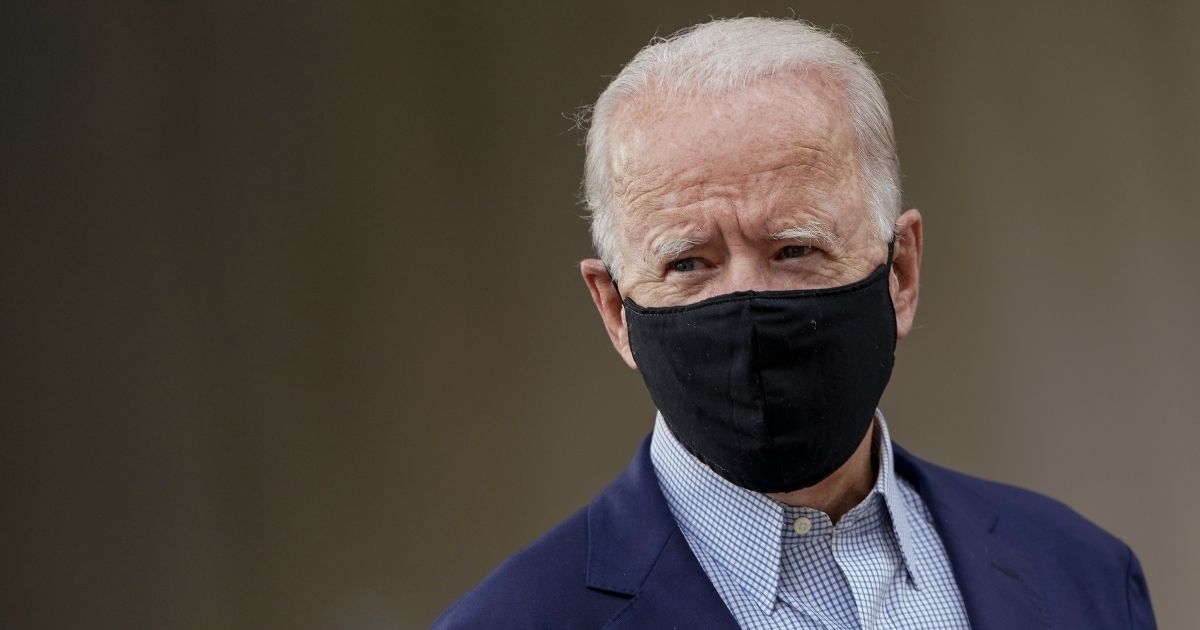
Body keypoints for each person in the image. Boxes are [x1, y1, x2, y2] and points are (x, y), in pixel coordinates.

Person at [433, 17, 1155, 629]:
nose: (748, 303)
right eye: (688, 263)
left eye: (795, 249)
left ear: (899, 271)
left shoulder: (1082, 576)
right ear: (616, 310)